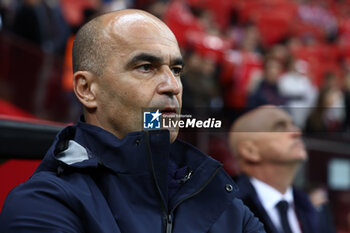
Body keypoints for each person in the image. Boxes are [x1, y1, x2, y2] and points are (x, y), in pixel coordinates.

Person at [0, 9, 265, 233]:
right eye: (146, 67)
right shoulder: (43, 204)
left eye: (176, 70)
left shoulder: (219, 197)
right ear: (86, 89)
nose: (172, 86)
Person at [229, 105, 335, 233]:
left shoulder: (315, 209)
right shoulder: (226, 211)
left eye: (293, 125)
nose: (297, 132)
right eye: (279, 127)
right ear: (250, 151)